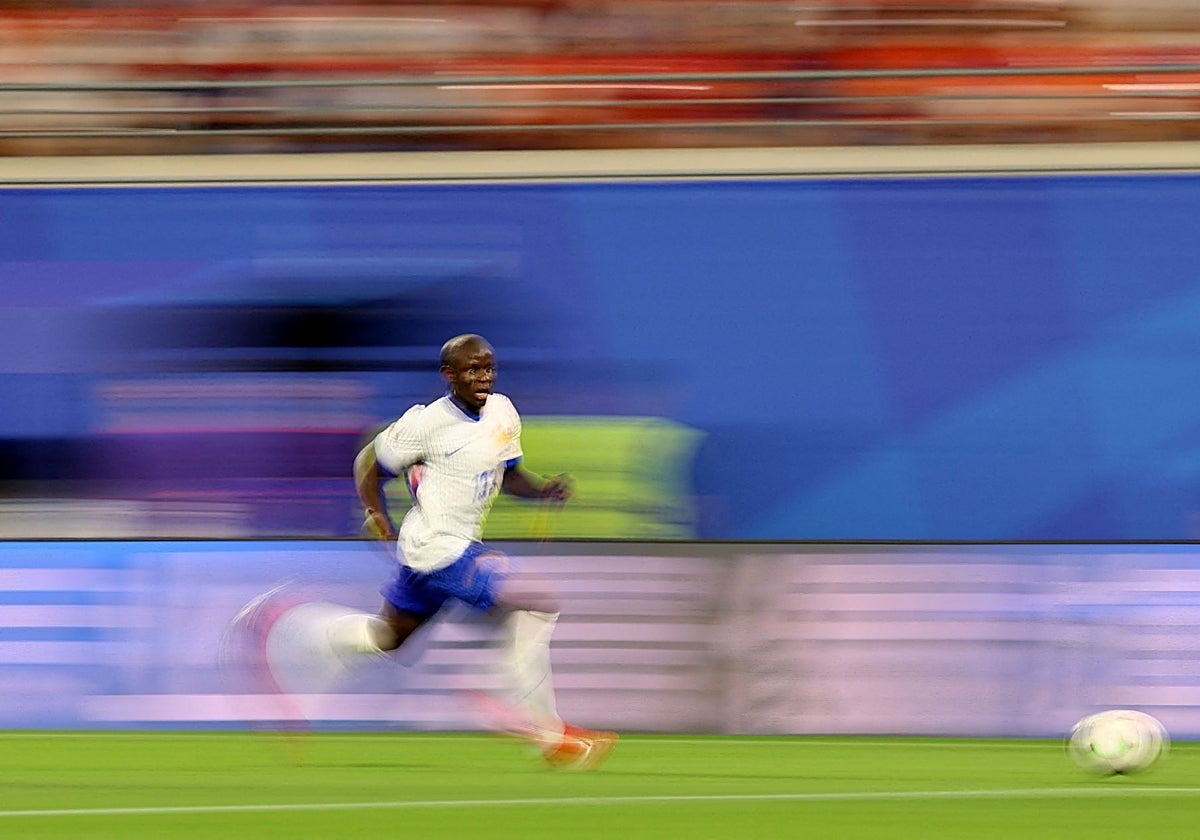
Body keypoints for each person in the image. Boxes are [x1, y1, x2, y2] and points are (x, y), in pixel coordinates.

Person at [227, 333, 617, 770]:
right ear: (449, 375)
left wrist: (543, 489)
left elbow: (510, 475)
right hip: (436, 548)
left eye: (488, 367)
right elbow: (367, 464)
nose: (483, 376)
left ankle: (277, 621)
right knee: (538, 601)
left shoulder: (503, 412)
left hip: (445, 548)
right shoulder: (425, 423)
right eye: (472, 369)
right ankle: (539, 726)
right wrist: (376, 515)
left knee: (388, 638)